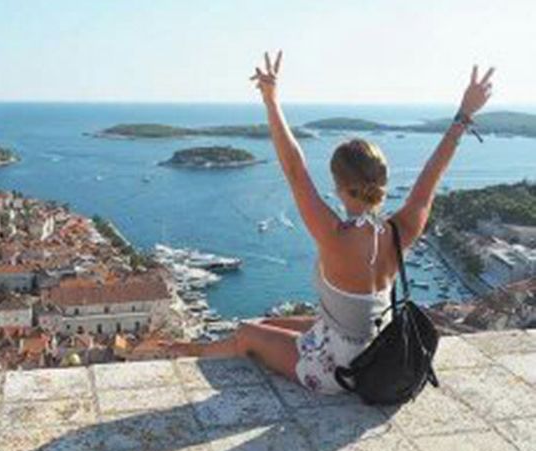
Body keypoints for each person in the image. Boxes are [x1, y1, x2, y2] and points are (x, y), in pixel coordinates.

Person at [163, 51, 494, 394]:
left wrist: (271, 101)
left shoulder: (335, 235)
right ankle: (199, 349)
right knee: (270, 323)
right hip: (378, 351)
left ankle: (189, 352)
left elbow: (294, 169)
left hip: (339, 370)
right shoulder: (400, 231)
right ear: (382, 181)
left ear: (338, 185)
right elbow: (431, 176)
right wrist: (464, 115)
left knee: (247, 333)